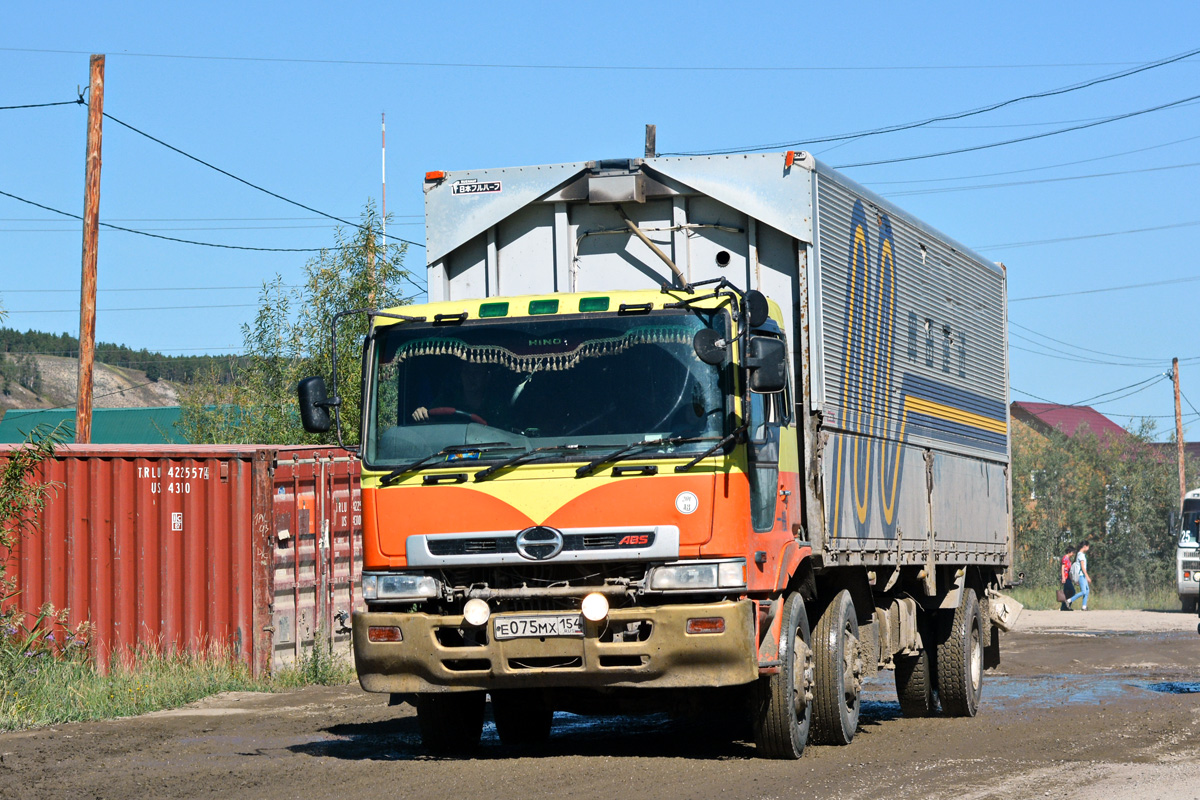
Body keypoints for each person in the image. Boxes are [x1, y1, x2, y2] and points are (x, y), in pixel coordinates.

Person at [411, 360, 492, 425]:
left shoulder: (496, 406)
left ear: (487, 377)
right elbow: (431, 419)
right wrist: (422, 414)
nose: (470, 376)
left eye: (477, 372)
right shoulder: (447, 399)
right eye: (466, 370)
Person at [1066, 541, 1092, 611]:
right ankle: (1069, 600)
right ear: (1085, 546)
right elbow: (1083, 568)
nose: (1088, 548)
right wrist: (1087, 576)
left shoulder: (1080, 554)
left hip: (1082, 576)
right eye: (1088, 546)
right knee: (1084, 591)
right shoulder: (1081, 555)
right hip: (1081, 575)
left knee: (1087, 590)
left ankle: (1084, 606)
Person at [1059, 545, 1077, 611]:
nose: (1073, 554)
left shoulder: (1069, 559)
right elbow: (1062, 568)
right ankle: (1065, 606)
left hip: (1068, 578)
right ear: (1069, 552)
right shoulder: (1065, 558)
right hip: (1066, 578)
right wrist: (1063, 577)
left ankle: (1065, 607)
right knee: (1072, 592)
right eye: (1072, 552)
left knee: (1067, 593)